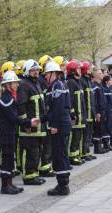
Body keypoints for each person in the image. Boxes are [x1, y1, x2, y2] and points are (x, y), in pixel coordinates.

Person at [0, 70, 40, 194]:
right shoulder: (7, 98)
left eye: (17, 82)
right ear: (7, 85)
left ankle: (10, 184)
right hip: (6, 133)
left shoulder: (10, 96)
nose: (17, 85)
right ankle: (5, 186)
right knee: (7, 159)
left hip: (10, 132)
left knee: (10, 158)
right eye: (14, 83)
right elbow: (13, 117)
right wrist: (28, 122)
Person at [43, 61, 72, 196]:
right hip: (61, 123)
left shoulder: (57, 85)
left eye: (47, 74)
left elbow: (58, 107)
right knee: (61, 154)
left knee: (59, 155)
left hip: (59, 125)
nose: (45, 76)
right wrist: (42, 119)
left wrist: (54, 125)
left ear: (53, 73)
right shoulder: (56, 85)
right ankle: (63, 183)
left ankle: (62, 186)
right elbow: (51, 110)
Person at [17, 59, 47, 185]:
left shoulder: (36, 84)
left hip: (38, 126)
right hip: (29, 127)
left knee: (36, 152)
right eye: (33, 70)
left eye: (37, 70)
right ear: (26, 71)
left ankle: (34, 174)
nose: (36, 72)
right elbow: (21, 106)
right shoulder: (24, 85)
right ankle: (28, 176)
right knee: (29, 152)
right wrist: (25, 124)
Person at [66, 60, 86, 165]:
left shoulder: (78, 82)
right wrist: (73, 114)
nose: (80, 71)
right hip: (76, 116)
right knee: (74, 137)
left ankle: (76, 155)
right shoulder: (70, 82)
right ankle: (72, 157)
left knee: (78, 137)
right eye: (78, 69)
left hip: (81, 115)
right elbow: (70, 100)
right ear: (73, 71)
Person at [92, 69, 112, 153]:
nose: (102, 75)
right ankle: (97, 148)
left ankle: (101, 146)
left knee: (102, 128)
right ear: (95, 75)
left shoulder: (100, 85)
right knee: (97, 129)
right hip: (99, 112)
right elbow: (94, 101)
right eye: (100, 73)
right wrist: (97, 112)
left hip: (103, 111)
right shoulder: (94, 86)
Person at [80, 61, 97, 161]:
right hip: (86, 113)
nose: (91, 70)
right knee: (85, 135)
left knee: (88, 135)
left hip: (90, 113)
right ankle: (83, 153)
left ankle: (86, 152)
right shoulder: (82, 81)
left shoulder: (87, 81)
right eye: (90, 68)